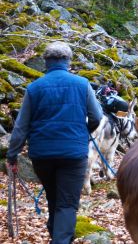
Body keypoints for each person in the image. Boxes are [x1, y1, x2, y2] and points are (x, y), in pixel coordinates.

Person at [6, 41, 103, 244]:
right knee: (67, 203)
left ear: (46, 63)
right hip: (73, 154)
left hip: (42, 155)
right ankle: (61, 239)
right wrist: (82, 133)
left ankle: (57, 234)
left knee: (54, 197)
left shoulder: (34, 88)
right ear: (68, 61)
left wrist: (12, 154)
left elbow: (21, 127)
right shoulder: (82, 84)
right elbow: (96, 116)